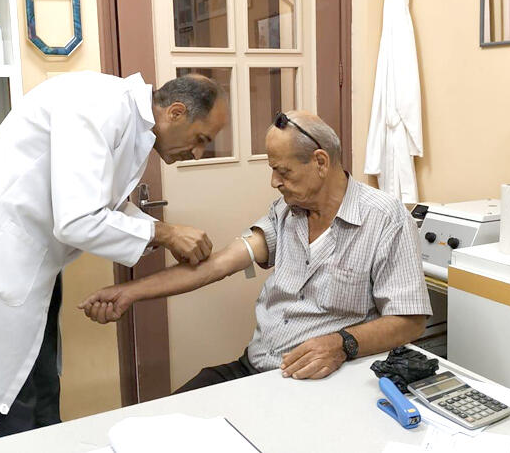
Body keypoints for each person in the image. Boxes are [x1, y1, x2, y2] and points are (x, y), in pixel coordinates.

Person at [0, 72, 229, 441]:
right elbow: (78, 220)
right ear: (175, 112)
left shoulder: (127, 119)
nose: (198, 153)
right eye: (201, 139)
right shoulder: (99, 107)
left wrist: (162, 237)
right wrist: (168, 233)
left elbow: (101, 203)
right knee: (10, 410)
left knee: (43, 394)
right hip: (1, 261)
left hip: (29, 265)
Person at [79, 110, 432, 392]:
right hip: (257, 367)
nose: (274, 182)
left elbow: (410, 321)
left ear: (321, 163)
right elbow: (213, 267)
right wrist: (127, 292)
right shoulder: (287, 213)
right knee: (168, 420)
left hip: (324, 380)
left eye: (283, 171)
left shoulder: (385, 218)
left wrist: (341, 343)